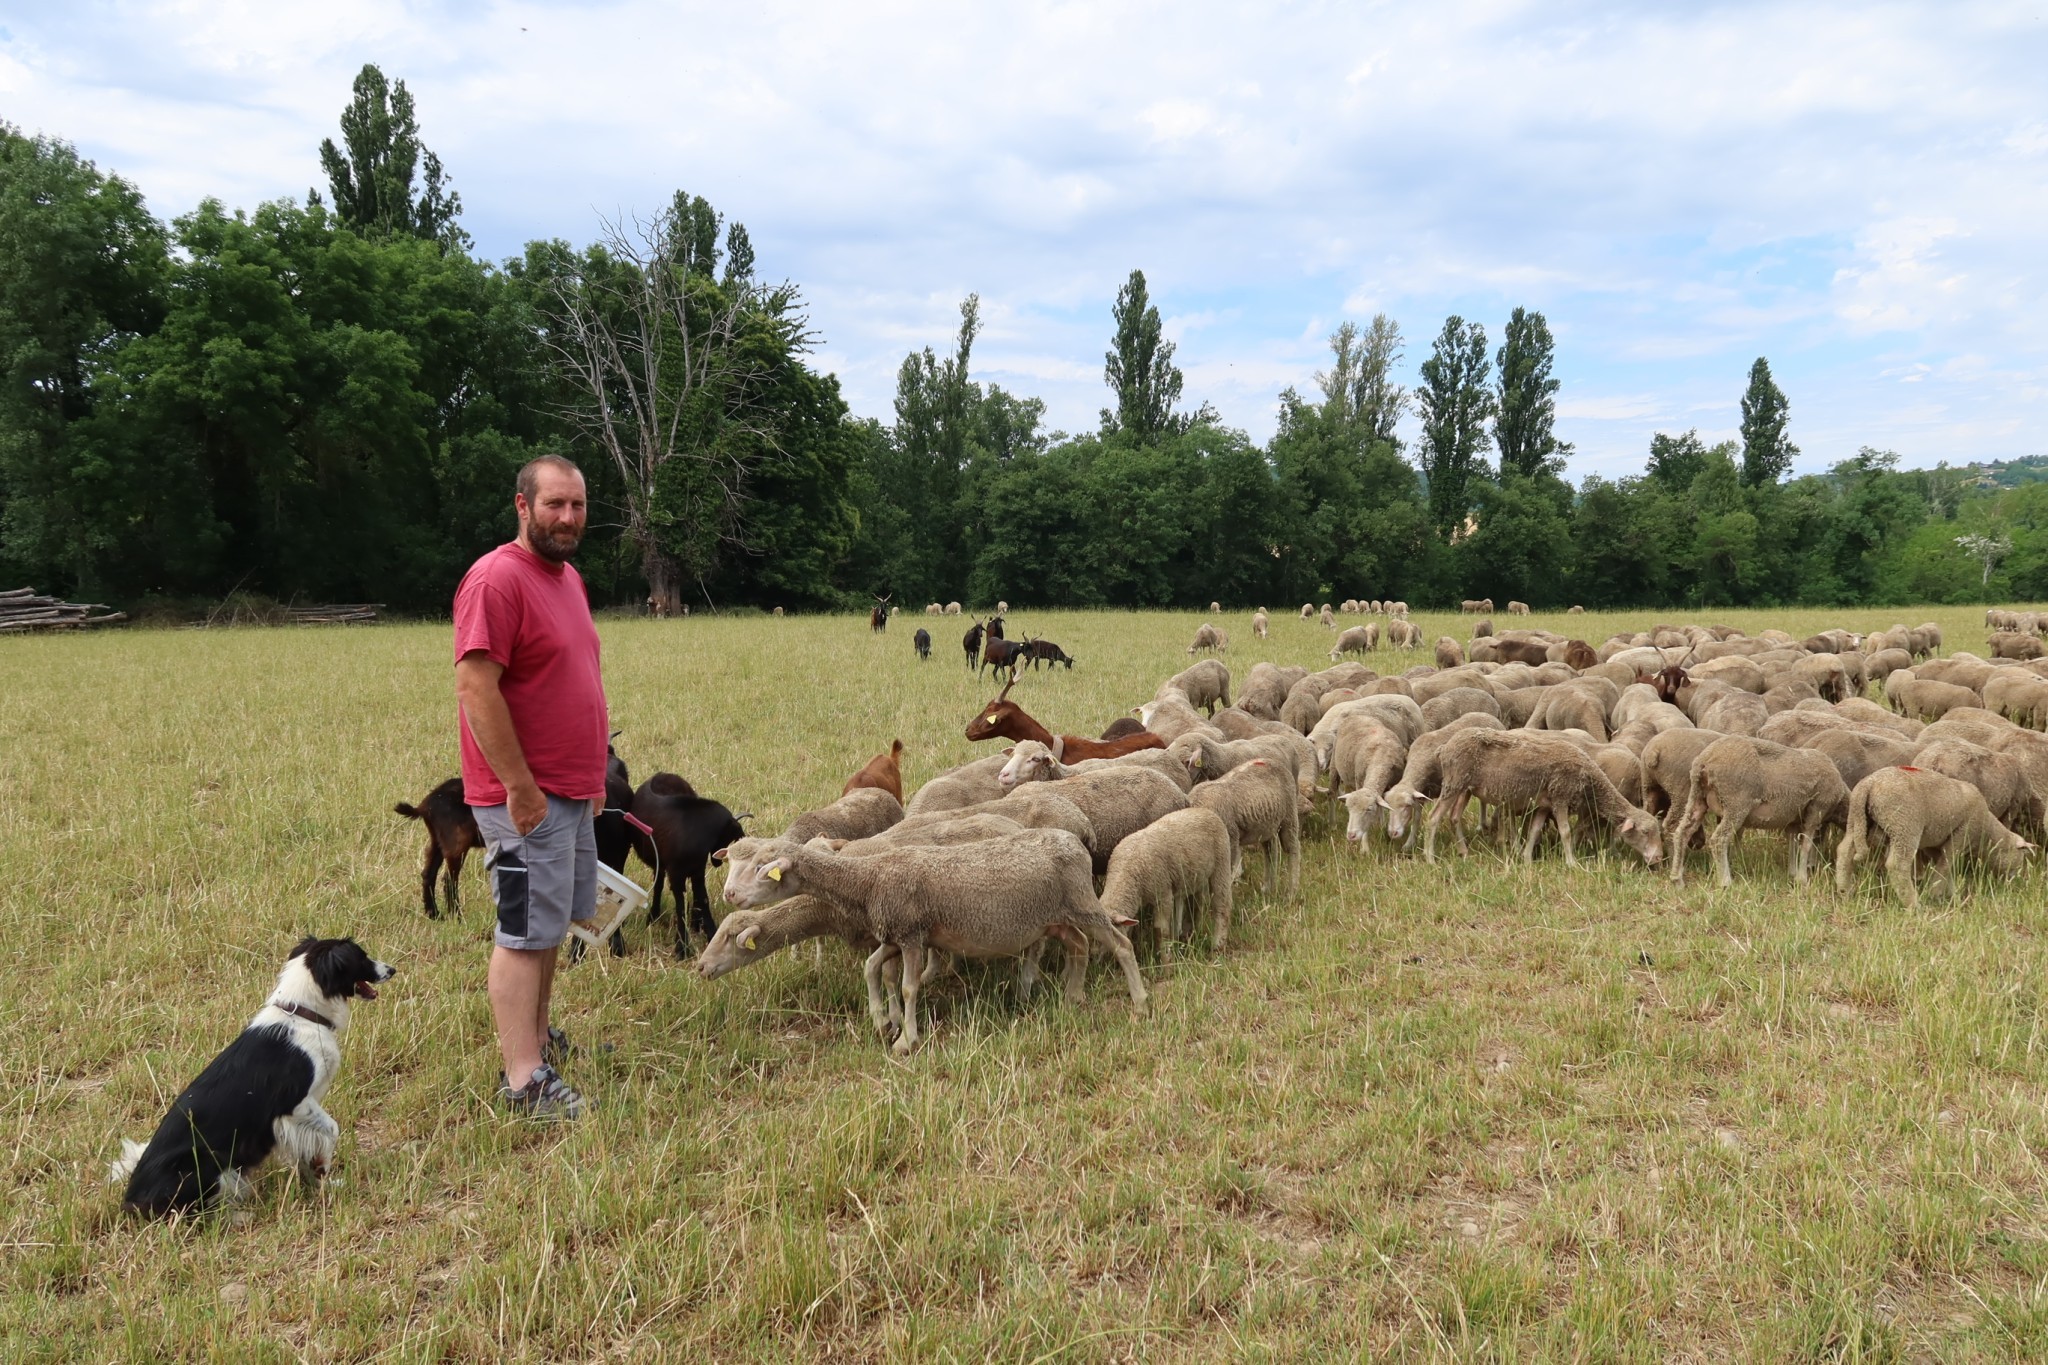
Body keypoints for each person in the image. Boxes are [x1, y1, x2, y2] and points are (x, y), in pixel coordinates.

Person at [453, 455, 608, 1119]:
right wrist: (519, 785)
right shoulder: (497, 579)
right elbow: (475, 686)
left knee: (549, 924)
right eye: (555, 505)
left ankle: (539, 1040)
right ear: (522, 505)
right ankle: (523, 1080)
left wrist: (592, 777)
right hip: (527, 796)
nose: (568, 517)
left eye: (576, 505)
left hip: (569, 791)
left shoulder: (567, 577)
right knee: (522, 928)